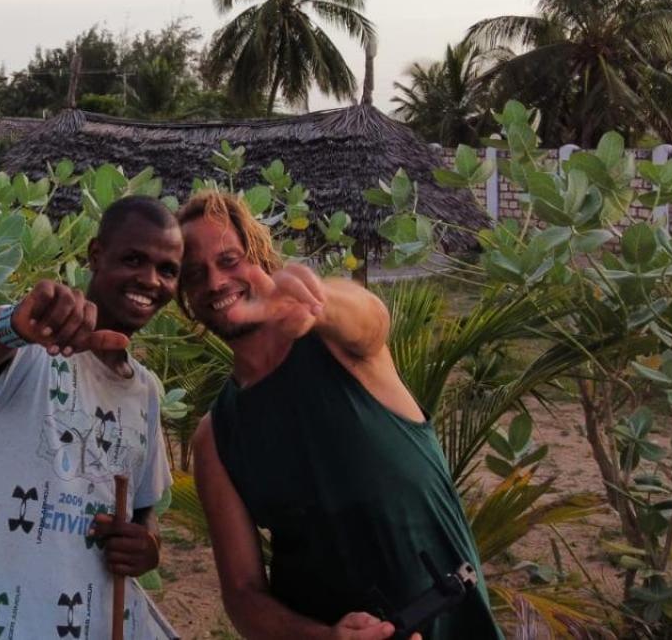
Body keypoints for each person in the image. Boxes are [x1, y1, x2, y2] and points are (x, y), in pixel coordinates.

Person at [176, 190, 501, 640]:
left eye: (229, 260)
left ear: (261, 257)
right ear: (186, 297)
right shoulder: (216, 440)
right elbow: (243, 595)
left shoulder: (339, 345)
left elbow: (372, 318)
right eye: (195, 275)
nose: (214, 282)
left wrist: (317, 304)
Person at [0, 195, 181, 639]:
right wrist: (14, 325)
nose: (151, 280)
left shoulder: (146, 392)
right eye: (134, 259)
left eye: (167, 270)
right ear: (96, 255)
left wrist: (146, 546)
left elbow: (144, 509)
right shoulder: (32, 353)